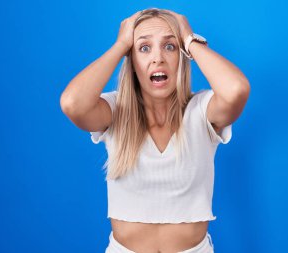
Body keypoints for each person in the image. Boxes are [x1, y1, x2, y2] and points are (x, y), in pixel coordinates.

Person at [60, 7, 250, 253]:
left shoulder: (201, 110)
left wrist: (188, 39)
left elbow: (237, 90)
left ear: (181, 56)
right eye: (144, 48)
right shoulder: (116, 110)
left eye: (170, 47)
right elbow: (72, 103)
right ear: (132, 61)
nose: (158, 58)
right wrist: (120, 46)